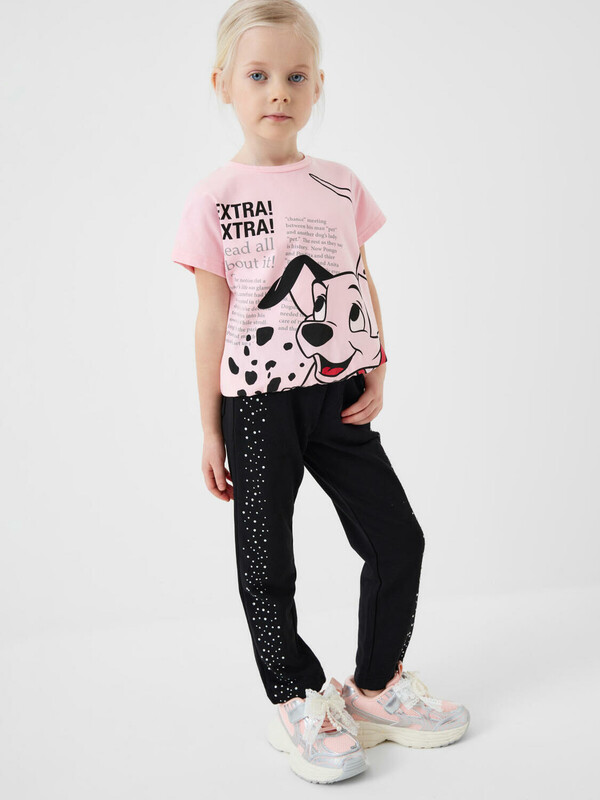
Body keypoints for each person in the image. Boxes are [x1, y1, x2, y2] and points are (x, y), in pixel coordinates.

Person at [171, 0, 469, 784]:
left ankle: (373, 687)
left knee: (397, 538)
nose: (278, 90)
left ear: (317, 85)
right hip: (256, 404)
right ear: (222, 84)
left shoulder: (339, 184)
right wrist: (210, 429)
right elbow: (211, 318)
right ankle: (297, 699)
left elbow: (357, 274)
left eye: (296, 76)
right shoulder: (213, 196)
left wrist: (379, 359)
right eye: (258, 75)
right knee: (266, 563)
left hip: (339, 395)